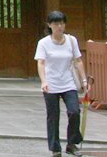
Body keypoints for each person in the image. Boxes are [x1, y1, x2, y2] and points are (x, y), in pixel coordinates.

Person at [35, 11, 89, 157]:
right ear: (49, 25)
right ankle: (55, 148)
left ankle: (72, 143)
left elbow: (78, 60)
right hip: (51, 84)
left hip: (68, 82)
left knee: (74, 111)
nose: (60, 26)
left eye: (62, 23)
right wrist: (44, 81)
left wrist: (84, 80)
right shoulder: (44, 43)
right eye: (56, 23)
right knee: (53, 116)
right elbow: (41, 63)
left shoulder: (72, 41)